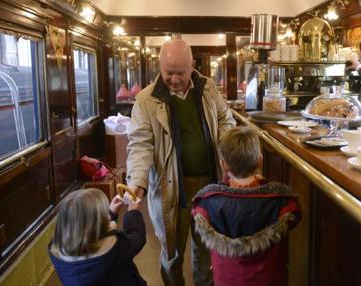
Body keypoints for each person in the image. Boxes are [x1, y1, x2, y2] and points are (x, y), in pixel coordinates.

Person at [126, 39, 236, 286]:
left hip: (209, 186)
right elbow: (140, 145)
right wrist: (137, 182)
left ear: (193, 66)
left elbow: (225, 120)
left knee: (206, 248)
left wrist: (228, 149)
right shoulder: (146, 100)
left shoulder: (208, 88)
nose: (174, 79)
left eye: (180, 73)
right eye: (168, 73)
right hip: (170, 188)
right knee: (172, 253)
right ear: (160, 66)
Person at [191, 127, 301, 286]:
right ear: (260, 161)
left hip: (226, 280)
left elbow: (197, 215)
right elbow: (295, 216)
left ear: (223, 165)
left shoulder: (207, 201)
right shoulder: (281, 200)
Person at [49, 188, 146, 286]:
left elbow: (91, 230)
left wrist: (111, 214)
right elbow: (137, 238)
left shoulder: (60, 255)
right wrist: (133, 213)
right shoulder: (114, 249)